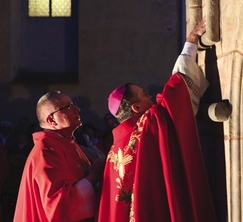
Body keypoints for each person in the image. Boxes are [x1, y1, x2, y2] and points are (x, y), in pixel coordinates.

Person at [97, 18, 217, 222]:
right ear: (136, 107)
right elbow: (175, 93)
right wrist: (190, 44)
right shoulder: (146, 126)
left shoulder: (114, 149)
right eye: (144, 94)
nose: (151, 96)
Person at [13, 91, 105, 222]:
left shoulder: (67, 143)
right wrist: (94, 175)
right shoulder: (46, 151)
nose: (77, 109)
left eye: (73, 104)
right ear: (51, 120)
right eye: (67, 106)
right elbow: (57, 204)